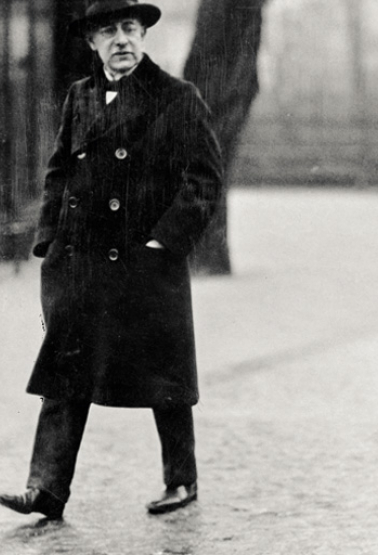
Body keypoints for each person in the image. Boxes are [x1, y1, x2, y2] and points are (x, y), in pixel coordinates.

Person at [0, 0, 222, 519]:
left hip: (145, 262)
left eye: (129, 29)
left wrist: (164, 242)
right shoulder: (80, 97)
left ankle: (181, 480)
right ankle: (46, 489)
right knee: (63, 376)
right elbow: (58, 171)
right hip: (80, 260)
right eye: (108, 32)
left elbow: (204, 179)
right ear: (92, 43)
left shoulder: (176, 97)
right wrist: (49, 238)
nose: (121, 40)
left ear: (143, 35)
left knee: (165, 379)